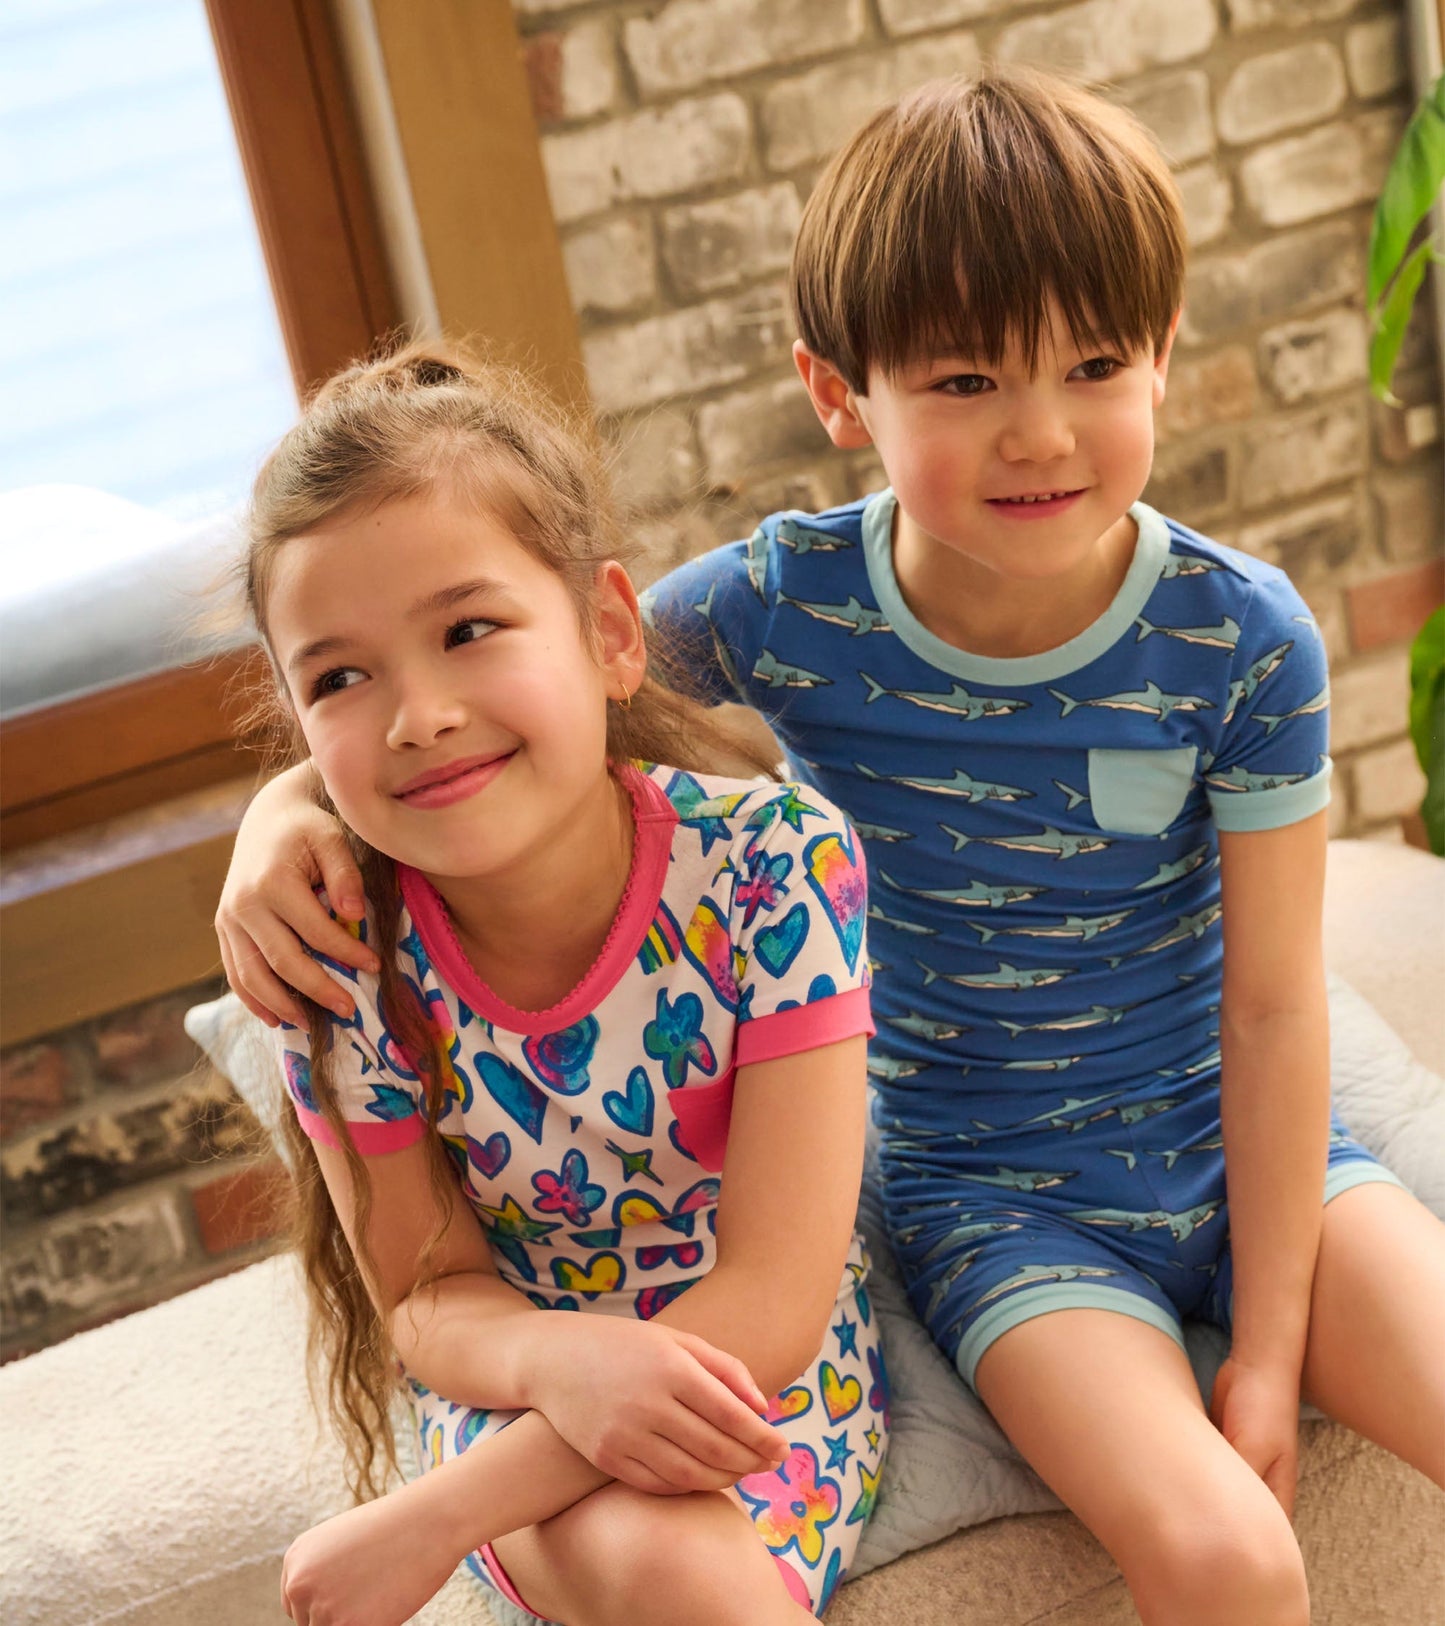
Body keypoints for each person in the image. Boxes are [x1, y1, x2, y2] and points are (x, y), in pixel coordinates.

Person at [218, 70, 1445, 1626]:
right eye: (960, 381)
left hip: (1260, 1150)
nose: (1040, 430)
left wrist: (1266, 1356)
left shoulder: (1242, 637)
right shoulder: (775, 608)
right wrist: (281, 815)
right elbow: (509, 696)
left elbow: (1276, 1010)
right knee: (1224, 1556)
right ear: (835, 390)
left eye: (1092, 362)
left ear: (1163, 353)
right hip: (988, 1198)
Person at [235, 344, 887, 1626]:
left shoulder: (771, 863)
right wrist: (565, 1362)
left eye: (468, 631)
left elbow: (770, 1296)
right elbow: (427, 1295)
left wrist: (439, 1518)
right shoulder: (338, 959)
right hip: (512, 1369)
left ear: (606, 633)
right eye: (339, 678)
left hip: (758, 1365)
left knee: (673, 1567)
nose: (416, 714)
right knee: (656, 1568)